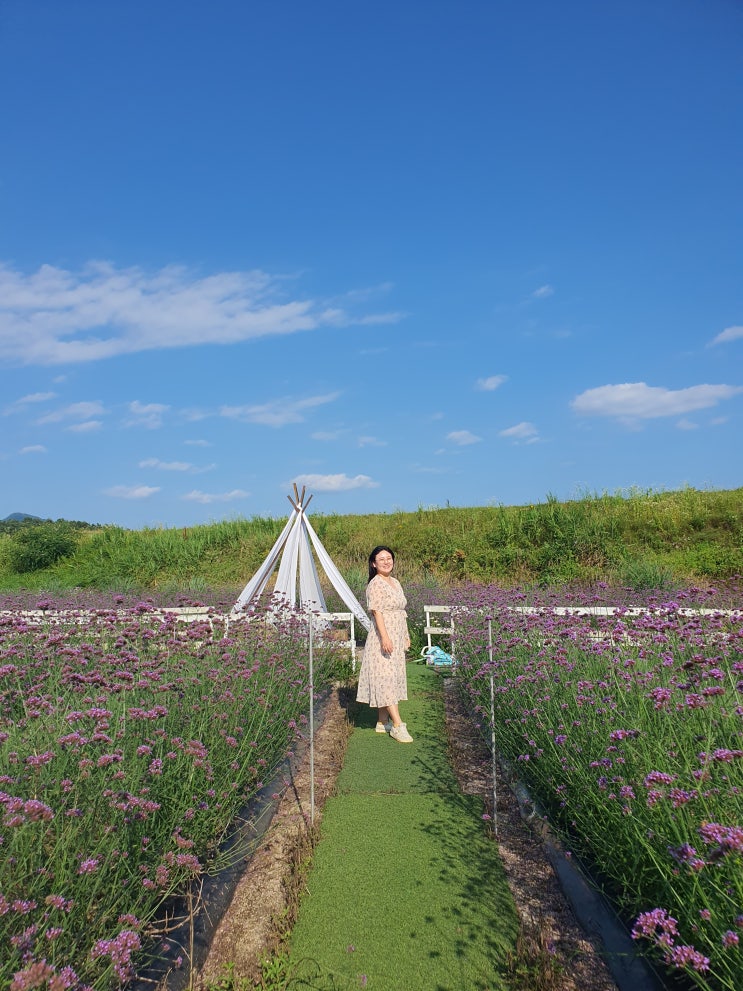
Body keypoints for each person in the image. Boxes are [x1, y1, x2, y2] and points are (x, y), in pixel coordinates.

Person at [356, 545, 413, 743]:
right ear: (374, 563)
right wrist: (385, 637)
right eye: (382, 559)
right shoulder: (375, 584)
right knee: (386, 678)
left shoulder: (395, 582)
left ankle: (382, 721)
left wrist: (405, 635)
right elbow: (377, 612)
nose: (387, 561)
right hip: (383, 636)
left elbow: (401, 611)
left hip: (397, 634)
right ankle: (397, 724)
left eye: (389, 558)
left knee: (389, 676)